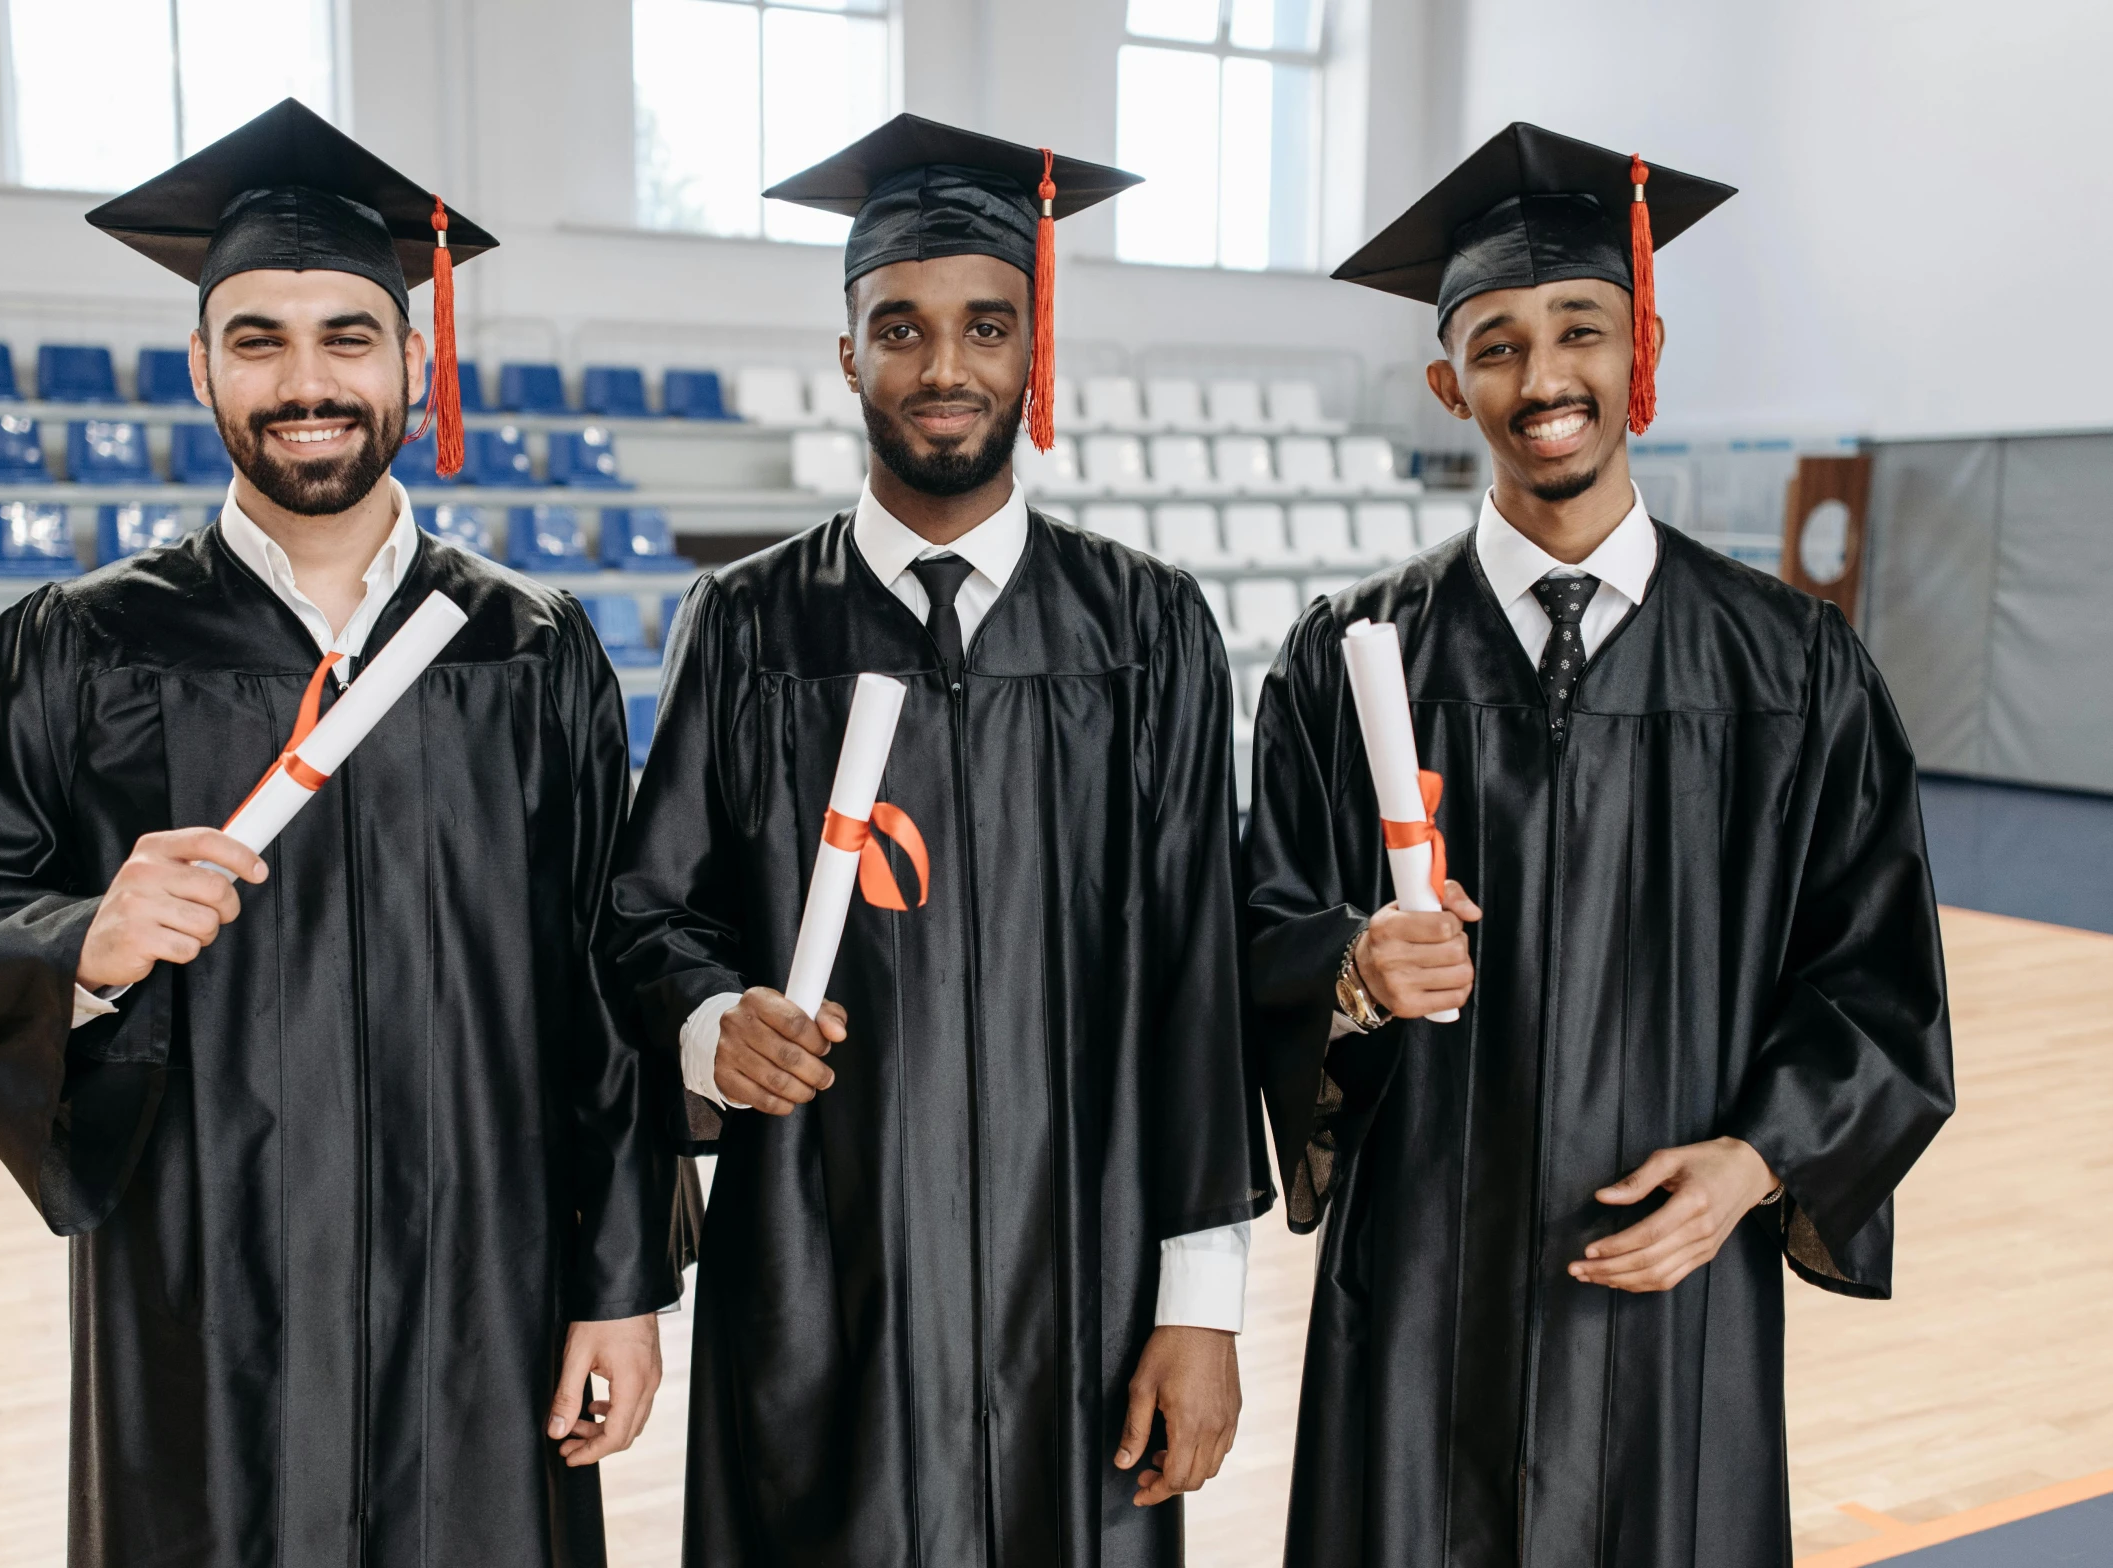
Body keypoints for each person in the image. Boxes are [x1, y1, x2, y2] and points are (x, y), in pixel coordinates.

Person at [0, 98, 685, 1568]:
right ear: (203, 367)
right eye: (258, 339)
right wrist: (76, 938)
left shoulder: (522, 649)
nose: (306, 381)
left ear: (416, 358)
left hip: (485, 1289)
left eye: (349, 335)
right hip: (202, 1288)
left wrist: (621, 1283)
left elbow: (599, 978)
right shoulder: (81, 646)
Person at [1244, 123, 1956, 1568]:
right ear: (1449, 384)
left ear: (1643, 352)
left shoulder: (1791, 667)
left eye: (1579, 330)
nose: (1543, 377)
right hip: (1423, 1285)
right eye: (1496, 344)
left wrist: (1758, 1165)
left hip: (1666, 1296)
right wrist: (1356, 972)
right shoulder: (1348, 655)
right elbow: (1254, 930)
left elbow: (1879, 982)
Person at [601, 114, 1271, 1568]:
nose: (944, 366)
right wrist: (715, 1023)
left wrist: (1202, 1305)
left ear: (1036, 349)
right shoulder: (751, 625)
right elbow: (646, 920)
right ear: (848, 351)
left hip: (1082, 1280)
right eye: (899, 327)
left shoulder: (1145, 632)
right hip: (819, 1269)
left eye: (986, 324)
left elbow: (1196, 979)